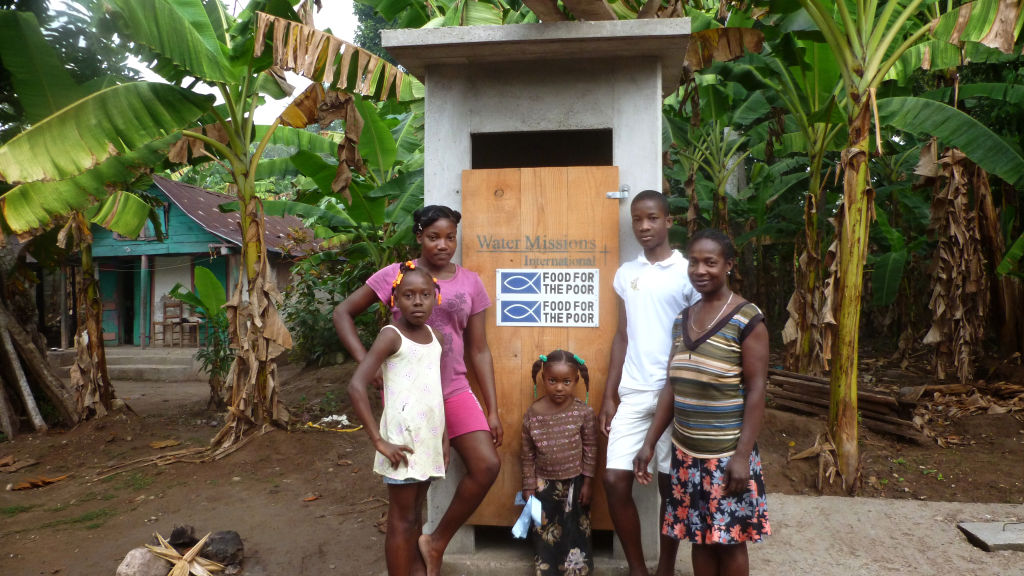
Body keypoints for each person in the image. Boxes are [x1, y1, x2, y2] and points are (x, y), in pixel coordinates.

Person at [333, 205, 502, 576]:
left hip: (453, 390)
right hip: (409, 397)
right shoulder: (397, 276)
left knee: (487, 465)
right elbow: (343, 312)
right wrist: (368, 363)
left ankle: (435, 541)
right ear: (419, 237)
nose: (443, 245)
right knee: (408, 504)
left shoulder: (470, 283)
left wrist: (492, 408)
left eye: (450, 237)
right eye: (433, 237)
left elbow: (478, 349)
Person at [633, 228, 771, 576]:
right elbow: (672, 387)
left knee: (730, 541)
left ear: (728, 265)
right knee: (700, 538)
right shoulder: (684, 319)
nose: (700, 270)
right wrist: (649, 443)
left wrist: (741, 457)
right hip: (686, 454)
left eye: (710, 262)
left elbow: (756, 391)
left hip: (725, 455)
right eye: (693, 262)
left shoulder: (746, 319)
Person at [598, 189, 699, 576]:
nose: (643, 226)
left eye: (652, 218)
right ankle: (638, 568)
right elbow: (622, 335)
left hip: (675, 395)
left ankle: (666, 568)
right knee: (614, 479)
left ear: (668, 221)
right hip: (634, 392)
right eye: (637, 219)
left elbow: (693, 337)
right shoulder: (627, 273)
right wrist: (609, 394)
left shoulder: (687, 272)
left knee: (669, 486)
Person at [348, 261, 448, 576]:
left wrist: (443, 438)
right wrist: (378, 441)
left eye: (425, 295)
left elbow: (434, 391)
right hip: (401, 442)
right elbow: (356, 385)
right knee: (401, 520)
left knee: (415, 518)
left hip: (427, 440)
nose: (417, 302)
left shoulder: (436, 337)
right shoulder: (391, 336)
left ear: (436, 298)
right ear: (395, 300)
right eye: (408, 295)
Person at [521, 349, 597, 576]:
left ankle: (576, 572)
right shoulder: (533, 413)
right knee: (544, 531)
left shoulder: (583, 413)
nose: (559, 387)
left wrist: (588, 482)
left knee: (575, 532)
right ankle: (546, 571)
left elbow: (591, 449)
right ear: (543, 379)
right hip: (543, 485)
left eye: (566, 382)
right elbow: (527, 453)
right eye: (552, 381)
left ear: (576, 381)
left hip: (575, 483)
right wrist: (528, 485)